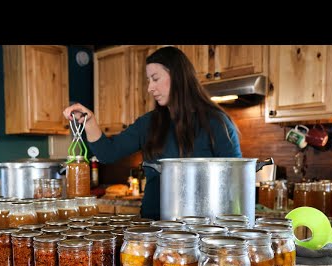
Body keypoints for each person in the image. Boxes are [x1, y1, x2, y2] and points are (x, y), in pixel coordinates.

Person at [63, 46, 242, 220]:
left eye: (155, 79)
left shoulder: (217, 123)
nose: (150, 88)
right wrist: (89, 120)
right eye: (149, 80)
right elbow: (106, 153)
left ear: (178, 77)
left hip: (201, 230)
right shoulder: (148, 123)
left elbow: (236, 181)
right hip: (153, 227)